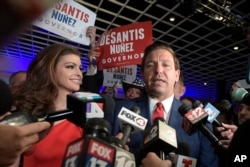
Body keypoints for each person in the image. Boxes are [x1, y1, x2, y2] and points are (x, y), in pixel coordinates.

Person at [105, 42, 219, 166]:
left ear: (176, 75)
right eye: (150, 65)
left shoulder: (200, 119)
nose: (158, 70)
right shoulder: (119, 110)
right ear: (143, 75)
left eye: (166, 65)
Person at [13, 43, 84, 166]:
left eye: (80, 67)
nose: (79, 73)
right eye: (70, 67)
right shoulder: (28, 114)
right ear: (50, 69)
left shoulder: (86, 113)